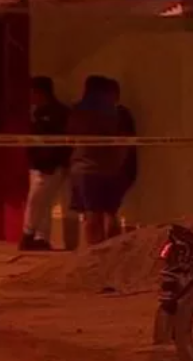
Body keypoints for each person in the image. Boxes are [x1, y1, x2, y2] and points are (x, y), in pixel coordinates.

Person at [67, 75, 129, 246]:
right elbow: (124, 143)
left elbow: (70, 137)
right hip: (109, 169)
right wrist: (118, 164)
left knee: (91, 214)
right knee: (111, 213)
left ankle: (95, 253)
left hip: (84, 168)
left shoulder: (77, 112)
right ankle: (113, 251)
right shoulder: (118, 113)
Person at [20, 76, 71, 251]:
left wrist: (52, 162)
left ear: (41, 93)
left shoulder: (58, 114)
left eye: (32, 93)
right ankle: (41, 238)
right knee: (43, 202)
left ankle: (28, 235)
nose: (30, 97)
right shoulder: (36, 113)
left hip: (49, 166)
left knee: (35, 201)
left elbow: (60, 142)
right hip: (38, 165)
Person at [104, 78, 138, 237]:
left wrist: (117, 166)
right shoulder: (105, 115)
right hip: (110, 168)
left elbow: (125, 142)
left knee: (110, 209)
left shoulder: (120, 114)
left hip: (118, 169)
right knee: (108, 209)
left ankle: (112, 242)